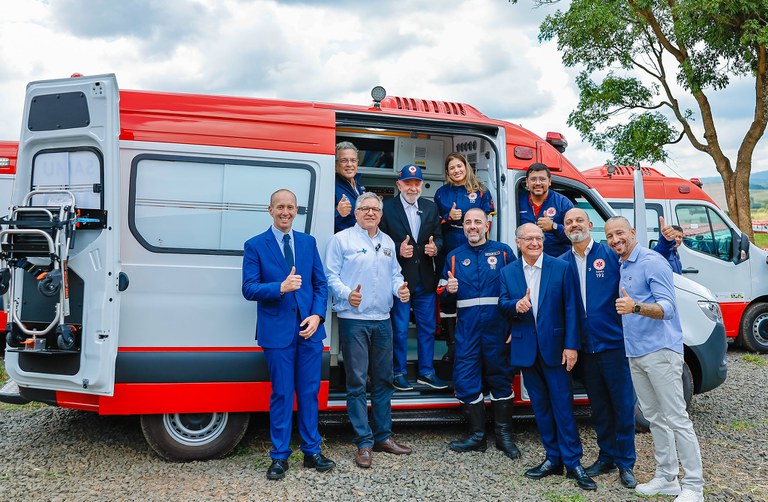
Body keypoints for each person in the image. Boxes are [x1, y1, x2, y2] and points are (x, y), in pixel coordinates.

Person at [606, 216, 705, 502]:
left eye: (620, 233)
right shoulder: (625, 264)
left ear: (632, 232)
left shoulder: (652, 262)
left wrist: (635, 307)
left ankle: (694, 486)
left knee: (677, 418)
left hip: (660, 351)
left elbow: (668, 308)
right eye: (610, 236)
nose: (615, 240)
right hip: (636, 352)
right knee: (655, 418)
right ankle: (667, 478)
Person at [241, 189, 335, 480]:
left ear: (297, 210)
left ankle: (311, 452)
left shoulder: (308, 242)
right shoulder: (255, 245)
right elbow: (248, 288)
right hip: (277, 333)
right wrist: (280, 287)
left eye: (290, 207)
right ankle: (280, 456)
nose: (285, 212)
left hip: (309, 331)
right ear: (270, 209)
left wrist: (317, 316)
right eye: (280, 207)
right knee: (282, 393)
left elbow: (320, 285)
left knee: (309, 393)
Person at [498, 223, 596, 491]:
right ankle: (553, 458)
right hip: (527, 350)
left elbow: (573, 308)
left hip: (557, 350)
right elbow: (502, 305)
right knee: (540, 408)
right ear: (518, 243)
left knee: (563, 407)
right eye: (528, 238)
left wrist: (571, 346)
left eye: (538, 238)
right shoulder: (508, 272)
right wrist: (516, 306)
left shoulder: (560, 267)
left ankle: (573, 462)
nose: (534, 242)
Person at [325, 192, 413, 469]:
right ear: (356, 213)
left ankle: (383, 437)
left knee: (384, 380)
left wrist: (400, 289)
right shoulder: (341, 240)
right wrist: (347, 294)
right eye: (365, 209)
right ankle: (364, 441)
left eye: (375, 209)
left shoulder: (387, 242)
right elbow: (330, 276)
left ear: (381, 214)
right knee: (357, 381)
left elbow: (395, 274)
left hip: (382, 318)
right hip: (354, 319)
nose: (371, 213)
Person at [560, 208, 637, 488]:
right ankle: (607, 456)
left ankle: (626, 463)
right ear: (564, 229)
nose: (574, 225)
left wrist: (666, 246)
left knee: (623, 406)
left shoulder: (610, 253)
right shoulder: (562, 262)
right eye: (569, 222)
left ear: (589, 224)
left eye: (579, 220)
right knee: (600, 408)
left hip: (614, 345)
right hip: (585, 349)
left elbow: (642, 264)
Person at [437, 208, 519, 458]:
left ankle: (504, 436)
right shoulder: (453, 256)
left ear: (487, 225)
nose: (472, 226)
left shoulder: (503, 252)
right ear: (463, 227)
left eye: (477, 222)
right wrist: (449, 291)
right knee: (465, 379)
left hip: (498, 328)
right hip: (468, 330)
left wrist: (516, 326)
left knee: (501, 378)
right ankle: (477, 437)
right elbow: (443, 300)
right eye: (468, 222)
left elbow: (518, 291)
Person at [380, 164, 447, 391]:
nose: (412, 188)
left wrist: (435, 248)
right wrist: (398, 247)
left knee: (427, 328)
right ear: (399, 185)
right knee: (399, 328)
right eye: (407, 183)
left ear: (421, 185)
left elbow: (439, 237)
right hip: (399, 280)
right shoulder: (386, 208)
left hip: (425, 279)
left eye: (416, 183)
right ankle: (398, 372)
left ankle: (426, 372)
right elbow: (377, 240)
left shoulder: (430, 207)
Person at [434, 152, 495, 363]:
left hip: (476, 249)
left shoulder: (481, 191)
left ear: (466, 167)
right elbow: (435, 224)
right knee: (448, 296)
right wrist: (447, 218)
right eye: (452, 168)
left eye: (459, 166)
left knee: (473, 294)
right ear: (447, 172)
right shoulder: (442, 193)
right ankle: (451, 345)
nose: (456, 170)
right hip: (449, 249)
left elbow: (488, 221)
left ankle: (474, 342)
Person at [518, 163, 574, 256]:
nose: (538, 183)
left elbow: (574, 236)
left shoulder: (563, 203)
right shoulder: (517, 201)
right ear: (527, 182)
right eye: (533, 179)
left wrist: (553, 227)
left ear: (549, 181)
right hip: (527, 259)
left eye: (542, 179)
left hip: (557, 260)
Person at [334, 141, 365, 233]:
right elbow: (319, 219)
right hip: (343, 240)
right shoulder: (330, 186)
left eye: (353, 160)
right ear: (336, 164)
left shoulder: (359, 185)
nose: (349, 164)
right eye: (344, 160)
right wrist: (337, 212)